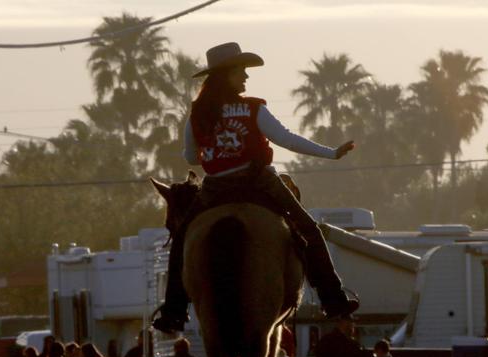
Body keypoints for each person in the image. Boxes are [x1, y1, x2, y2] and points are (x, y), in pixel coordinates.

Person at [152, 42, 358, 334]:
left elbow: (189, 157)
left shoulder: (197, 113)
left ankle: (173, 311)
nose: (246, 78)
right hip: (258, 180)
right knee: (309, 229)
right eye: (241, 71)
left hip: (215, 187)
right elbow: (287, 139)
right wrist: (331, 153)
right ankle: (334, 300)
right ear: (227, 75)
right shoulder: (252, 109)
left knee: (182, 240)